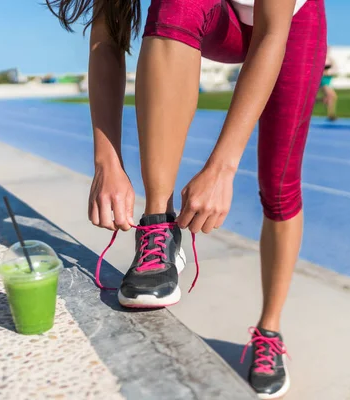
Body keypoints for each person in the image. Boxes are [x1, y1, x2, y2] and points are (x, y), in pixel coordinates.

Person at [46, 0, 326, 398]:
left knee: (279, 187)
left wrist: (221, 168)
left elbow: (270, 33)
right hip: (218, 15)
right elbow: (106, 42)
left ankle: (269, 331)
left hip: (289, 23)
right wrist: (106, 161)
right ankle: (158, 225)